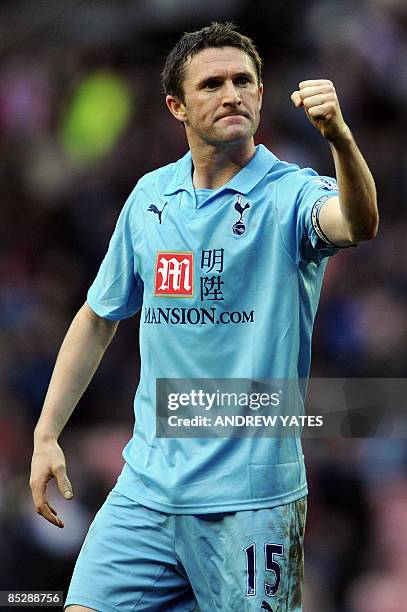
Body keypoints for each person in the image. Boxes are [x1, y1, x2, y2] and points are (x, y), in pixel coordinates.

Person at [30, 22, 378, 612]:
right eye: (212, 84)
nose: (232, 94)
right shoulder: (149, 199)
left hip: (253, 501)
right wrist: (45, 433)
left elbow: (357, 222)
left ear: (262, 96)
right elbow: (97, 315)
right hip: (148, 488)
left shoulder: (289, 194)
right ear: (177, 107)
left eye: (244, 81)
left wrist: (340, 139)